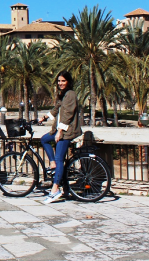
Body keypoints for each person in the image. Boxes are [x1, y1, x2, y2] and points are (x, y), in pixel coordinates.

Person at [40, 71, 83, 204]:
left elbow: (68, 115)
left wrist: (59, 131)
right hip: (60, 130)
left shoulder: (70, 94)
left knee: (59, 160)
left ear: (68, 82)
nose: (60, 83)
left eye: (63, 81)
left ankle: (55, 189)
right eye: (59, 81)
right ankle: (52, 163)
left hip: (66, 132)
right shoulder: (63, 95)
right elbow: (56, 109)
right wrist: (44, 117)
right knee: (44, 139)